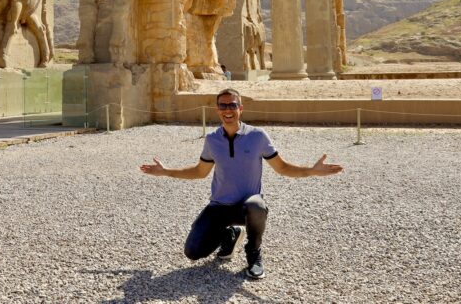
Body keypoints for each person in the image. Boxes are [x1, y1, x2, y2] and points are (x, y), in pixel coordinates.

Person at [140, 88, 343, 280]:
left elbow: (282, 168)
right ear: (217, 109)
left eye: (232, 105)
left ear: (240, 108)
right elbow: (199, 172)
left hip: (247, 206)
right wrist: (166, 171)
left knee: (256, 205)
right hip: (219, 206)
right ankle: (230, 234)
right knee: (193, 252)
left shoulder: (257, 136)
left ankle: (253, 253)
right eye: (223, 106)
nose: (228, 110)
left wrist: (312, 171)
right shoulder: (212, 140)